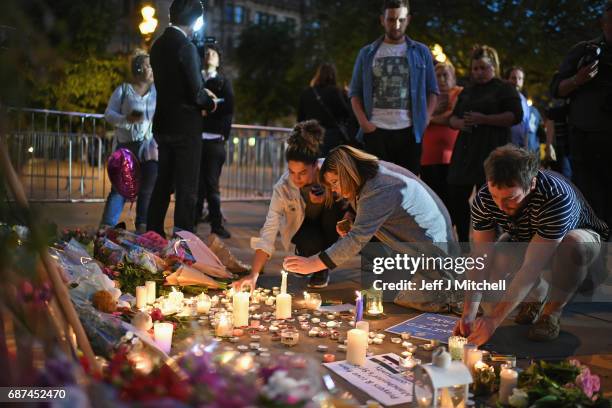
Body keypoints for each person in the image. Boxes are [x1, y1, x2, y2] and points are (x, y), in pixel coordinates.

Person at [454, 145, 609, 344]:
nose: (501, 206)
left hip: (584, 243)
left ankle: (551, 313)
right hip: (530, 238)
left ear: (532, 183)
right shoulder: (485, 199)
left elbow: (531, 266)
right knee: (499, 256)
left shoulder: (555, 196)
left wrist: (493, 320)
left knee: (573, 244)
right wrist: (469, 313)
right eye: (495, 196)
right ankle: (536, 297)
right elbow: (480, 257)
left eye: (511, 198)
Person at [281, 146, 457, 303]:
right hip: (411, 247)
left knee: (398, 296)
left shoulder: (379, 189)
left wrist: (313, 263)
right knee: (381, 291)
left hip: (432, 249)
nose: (334, 190)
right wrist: (351, 216)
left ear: (347, 173)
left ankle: (452, 292)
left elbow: (356, 239)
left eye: (335, 183)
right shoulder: (367, 173)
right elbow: (362, 203)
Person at [233, 121, 345, 291]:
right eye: (292, 172)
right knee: (305, 252)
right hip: (304, 232)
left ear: (315, 166)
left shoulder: (331, 173)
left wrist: (328, 197)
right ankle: (308, 258)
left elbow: (350, 199)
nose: (296, 178)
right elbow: (269, 229)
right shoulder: (283, 187)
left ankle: (322, 267)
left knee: (332, 209)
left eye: (302, 173)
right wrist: (254, 274)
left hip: (332, 227)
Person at [146, 0, 217, 236]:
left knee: (163, 183)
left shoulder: (157, 45)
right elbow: (196, 93)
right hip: (185, 127)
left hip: (163, 123)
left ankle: (153, 233)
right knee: (187, 188)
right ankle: (183, 241)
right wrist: (211, 101)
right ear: (195, 21)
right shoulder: (185, 47)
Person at [348, 0, 438, 174]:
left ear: (408, 20)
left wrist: (425, 119)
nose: (396, 24)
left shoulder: (421, 52)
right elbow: (355, 92)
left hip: (410, 132)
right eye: (391, 19)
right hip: (376, 130)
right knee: (376, 186)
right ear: (382, 20)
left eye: (401, 19)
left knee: (408, 186)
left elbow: (432, 90)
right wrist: (364, 124)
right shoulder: (367, 53)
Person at [447, 45, 523, 244]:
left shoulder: (504, 88)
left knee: (491, 199)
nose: (478, 73)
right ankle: (463, 240)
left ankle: (493, 243)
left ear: (493, 67)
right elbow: (452, 118)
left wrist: (485, 119)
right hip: (465, 151)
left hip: (492, 151)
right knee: (456, 195)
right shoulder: (467, 91)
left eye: (483, 68)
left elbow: (515, 116)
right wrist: (460, 123)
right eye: (475, 69)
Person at [550, 2, 612, 231]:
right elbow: (555, 89)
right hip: (586, 144)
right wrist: (579, 79)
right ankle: (593, 263)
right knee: (591, 207)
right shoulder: (584, 51)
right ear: (603, 24)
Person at [100, 50, 157, 233]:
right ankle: (107, 227)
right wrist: (126, 119)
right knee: (119, 189)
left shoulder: (157, 92)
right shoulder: (124, 90)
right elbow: (108, 114)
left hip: (149, 148)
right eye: (148, 65)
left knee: (147, 188)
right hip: (127, 146)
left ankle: (142, 226)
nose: (152, 69)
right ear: (138, 68)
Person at [195, 44, 233, 239]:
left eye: (214, 53)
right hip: (196, 140)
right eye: (207, 52)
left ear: (219, 59)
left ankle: (216, 224)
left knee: (212, 184)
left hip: (215, 140)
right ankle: (192, 222)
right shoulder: (196, 77)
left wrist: (210, 108)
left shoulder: (223, 81)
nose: (209, 55)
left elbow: (228, 108)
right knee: (196, 184)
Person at [420, 60, 463, 209]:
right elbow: (420, 120)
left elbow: (452, 115)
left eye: (446, 75)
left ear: (453, 76)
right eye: (438, 75)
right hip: (428, 156)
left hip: (452, 156)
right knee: (432, 200)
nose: (442, 79)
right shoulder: (428, 96)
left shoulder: (458, 92)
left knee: (453, 199)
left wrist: (430, 118)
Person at [297, 63, 353, 156]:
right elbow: (346, 113)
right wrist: (347, 97)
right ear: (333, 75)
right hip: (330, 137)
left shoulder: (306, 92)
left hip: (310, 136)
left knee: (312, 165)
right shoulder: (335, 92)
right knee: (329, 166)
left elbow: (300, 118)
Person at [505, 66, 543, 155]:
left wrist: (525, 149)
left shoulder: (524, 101)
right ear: (507, 79)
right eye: (513, 78)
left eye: (520, 78)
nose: (517, 82)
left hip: (520, 150)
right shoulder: (502, 98)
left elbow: (526, 127)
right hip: (505, 148)